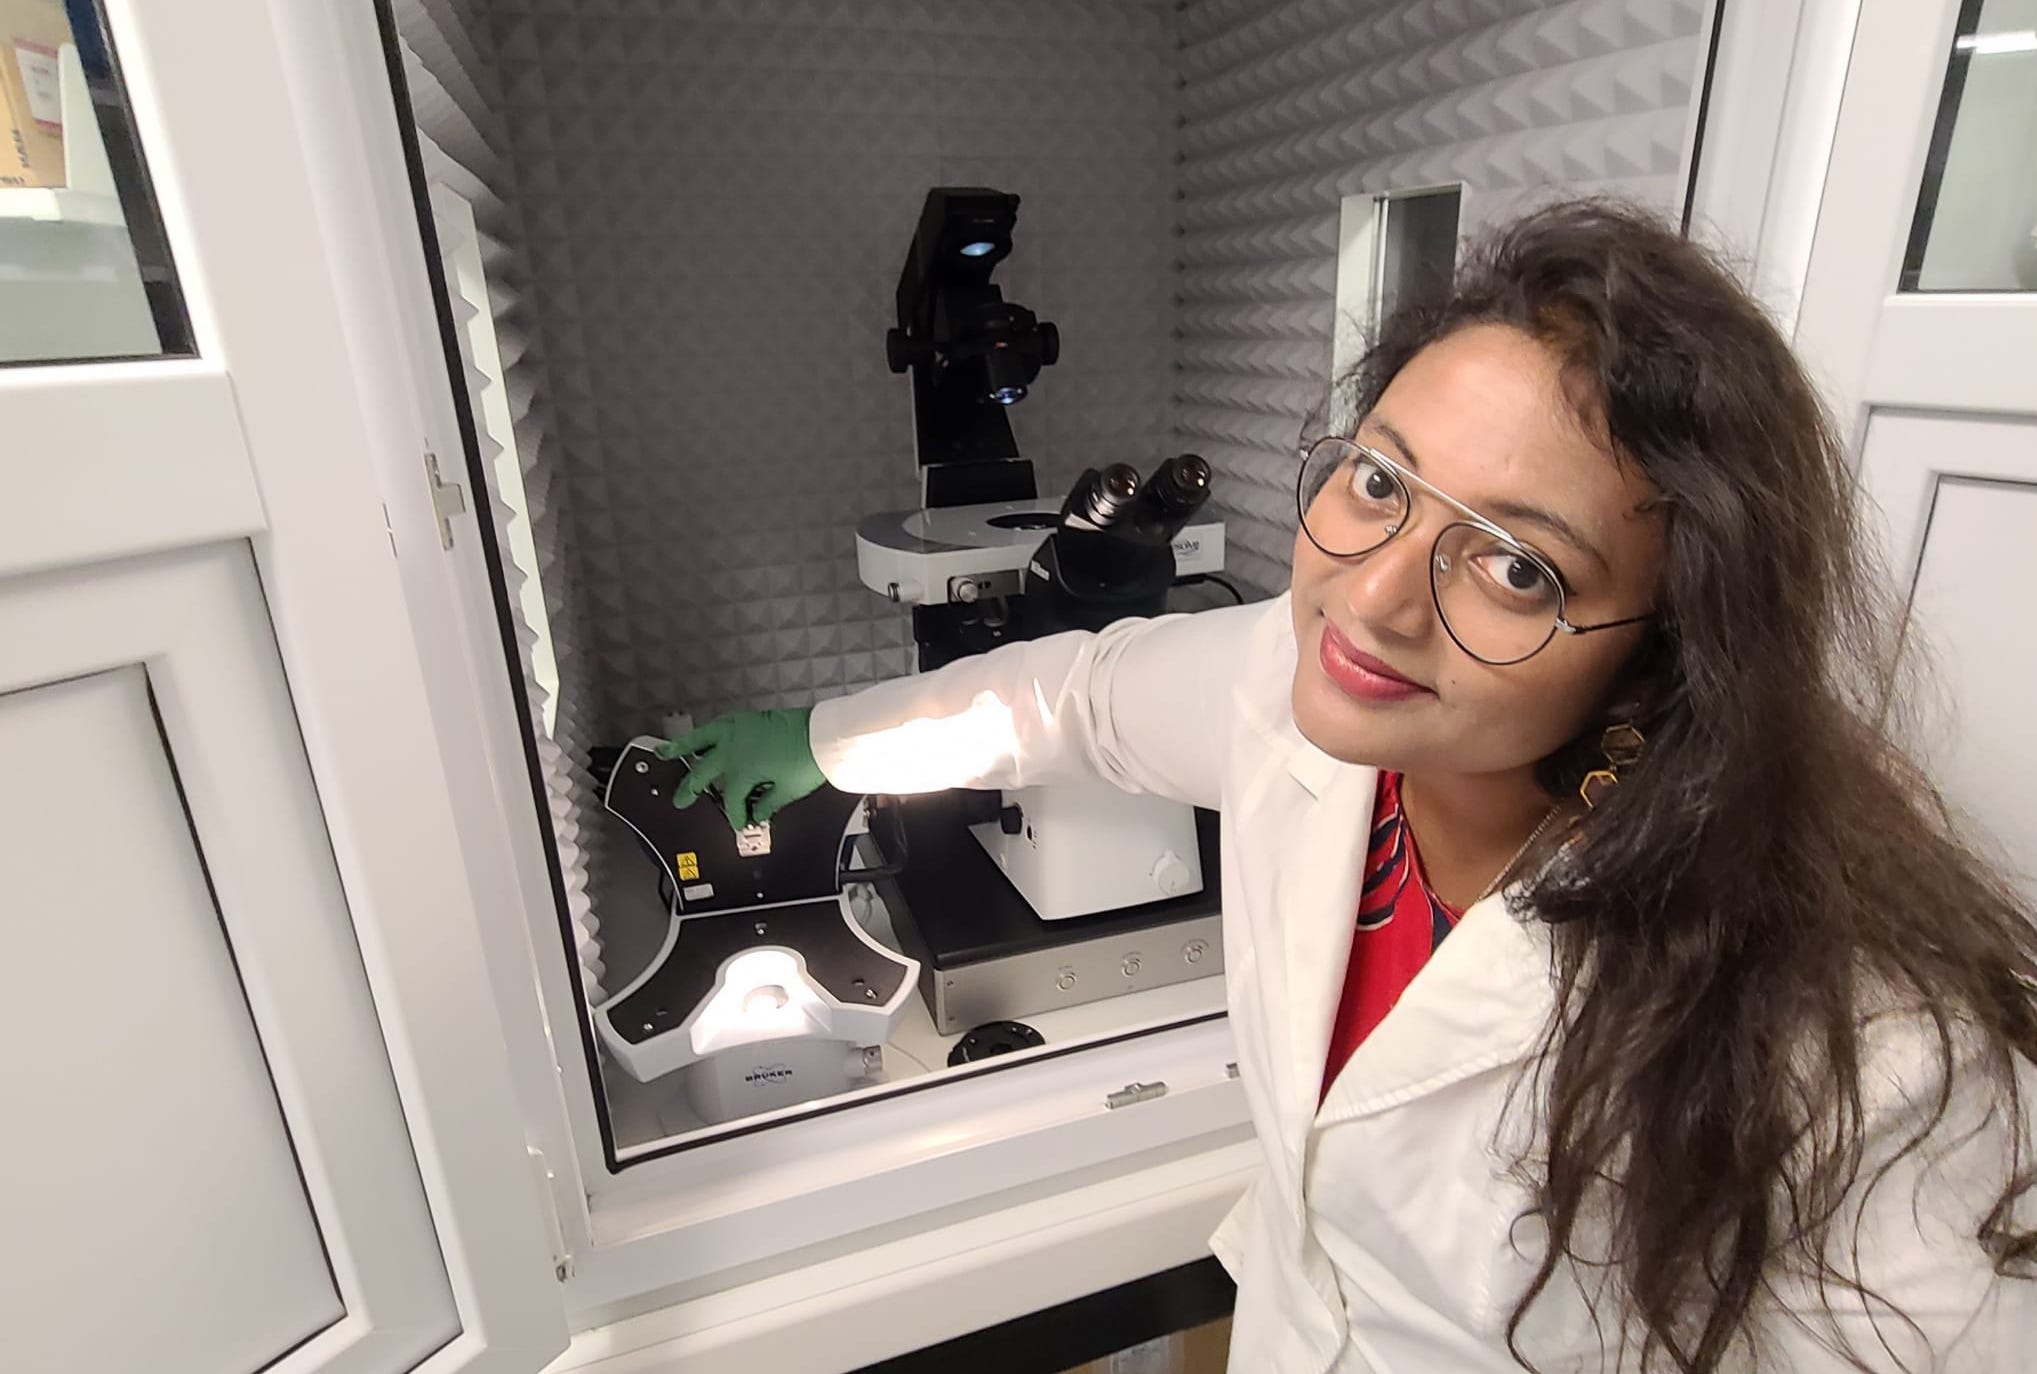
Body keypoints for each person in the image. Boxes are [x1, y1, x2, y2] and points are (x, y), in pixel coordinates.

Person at [659, 201, 2037, 1372]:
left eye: (1516, 566)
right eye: (1380, 480)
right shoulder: (1290, 688)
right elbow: (1068, 696)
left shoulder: (1870, 1047)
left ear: (1671, 649)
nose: (1373, 599)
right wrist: (830, 737)